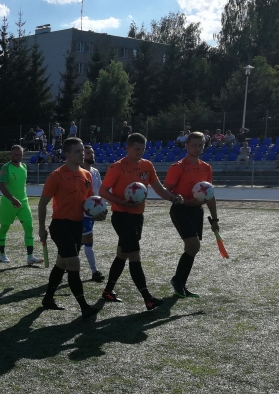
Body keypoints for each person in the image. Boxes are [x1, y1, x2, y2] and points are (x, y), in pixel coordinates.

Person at [98, 133, 183, 311]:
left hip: (137, 216)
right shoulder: (117, 167)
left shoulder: (147, 165)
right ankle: (147, 298)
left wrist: (172, 198)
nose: (140, 152)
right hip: (121, 216)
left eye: (143, 149)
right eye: (137, 149)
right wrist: (120, 201)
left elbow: (158, 187)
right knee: (134, 255)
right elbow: (103, 191)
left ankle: (108, 290)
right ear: (128, 148)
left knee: (122, 254)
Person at [38, 137, 105, 318]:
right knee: (74, 264)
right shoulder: (56, 176)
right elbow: (42, 203)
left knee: (61, 263)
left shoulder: (87, 175)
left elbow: (89, 203)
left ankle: (48, 298)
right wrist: (41, 228)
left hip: (77, 226)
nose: (82, 153)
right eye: (77, 151)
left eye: (82, 150)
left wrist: (97, 214)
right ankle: (84, 307)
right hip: (60, 227)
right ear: (67, 154)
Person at [164, 131, 219, 298]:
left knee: (192, 248)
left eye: (200, 145)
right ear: (186, 146)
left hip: (197, 211)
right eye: (194, 145)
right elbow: (166, 190)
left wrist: (215, 219)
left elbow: (209, 194)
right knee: (194, 245)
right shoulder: (177, 167)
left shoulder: (206, 168)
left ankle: (180, 282)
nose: (197, 148)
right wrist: (177, 198)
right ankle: (178, 281)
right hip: (180, 210)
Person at [0, 145, 44, 265]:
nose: (18, 156)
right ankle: (2, 254)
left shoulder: (24, 166)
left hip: (23, 203)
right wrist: (12, 199)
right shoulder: (6, 167)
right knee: (4, 229)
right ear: (11, 155)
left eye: (20, 154)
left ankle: (30, 256)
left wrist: (19, 200)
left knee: (29, 228)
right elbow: (2, 186)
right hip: (8, 204)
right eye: (16, 154)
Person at [80, 145, 104, 282]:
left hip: (92, 213)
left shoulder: (95, 171)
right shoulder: (78, 172)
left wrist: (102, 207)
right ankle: (95, 271)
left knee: (79, 242)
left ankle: (66, 262)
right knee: (88, 240)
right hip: (81, 214)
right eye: (88, 153)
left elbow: (99, 191)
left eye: (92, 152)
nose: (91, 155)